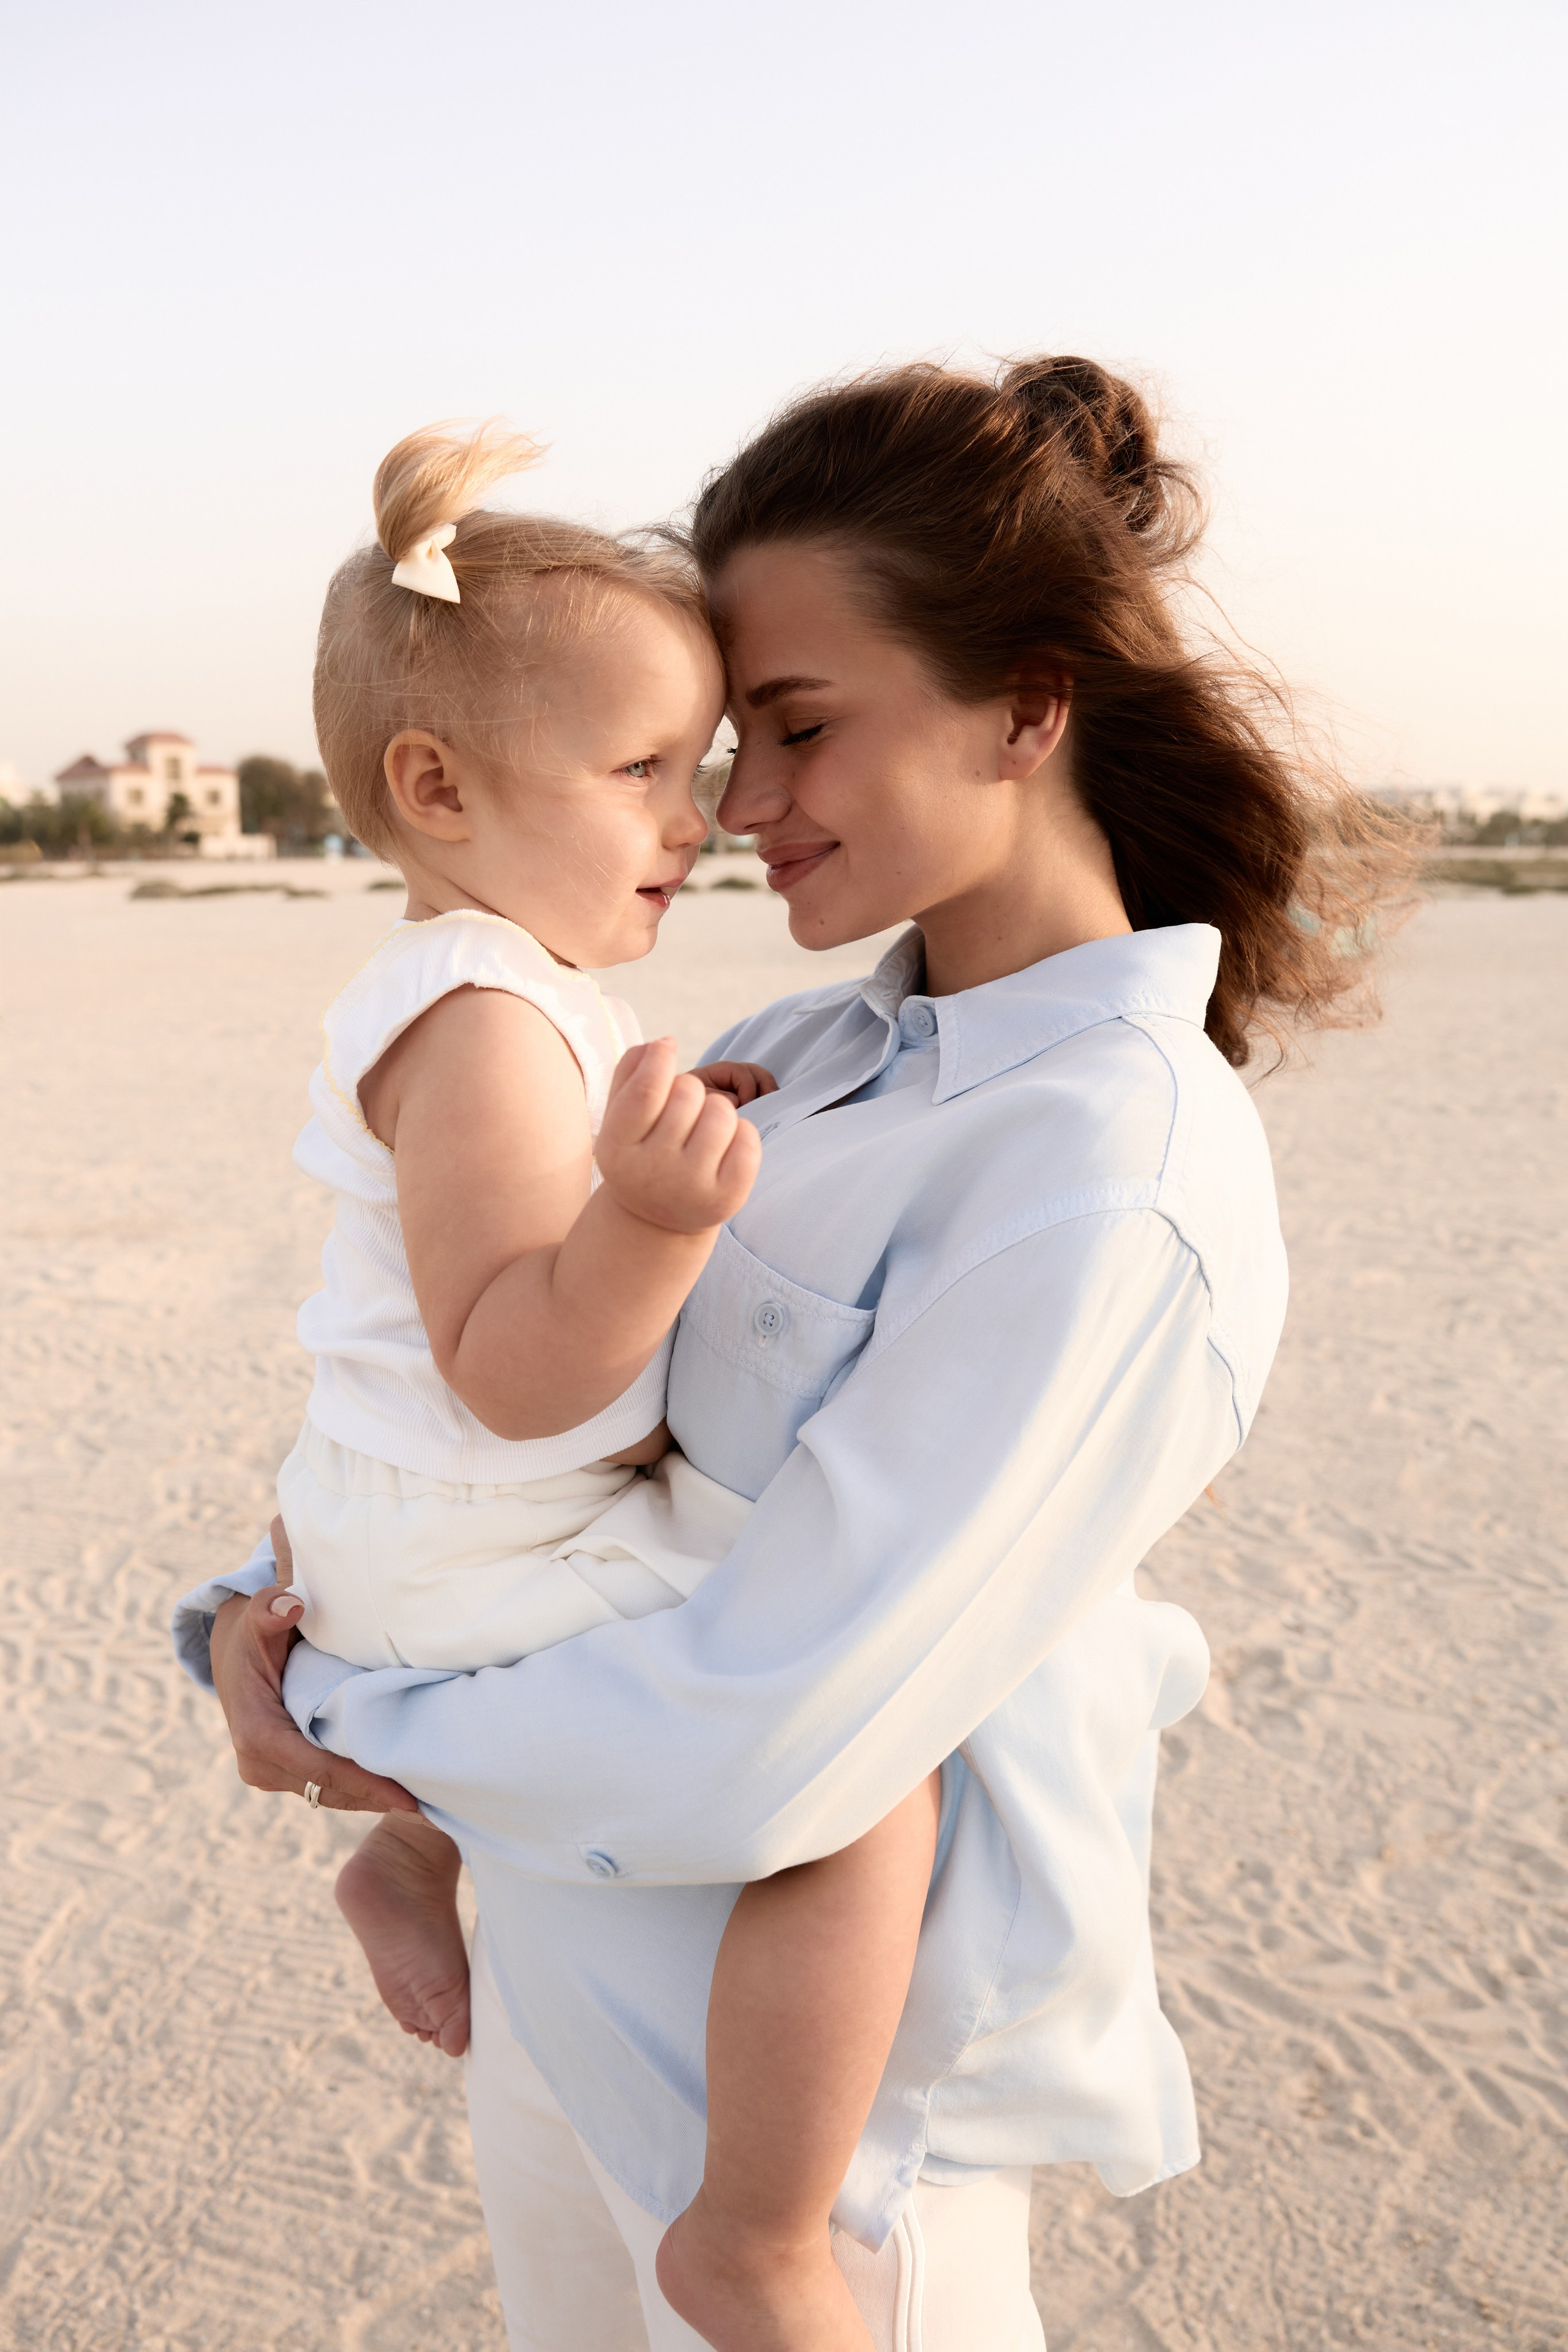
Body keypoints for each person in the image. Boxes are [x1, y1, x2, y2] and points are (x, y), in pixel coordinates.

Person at [178, 355, 1411, 2352]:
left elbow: (781, 1725)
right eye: (722, 742)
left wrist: (360, 1720)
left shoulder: (1111, 1169)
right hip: (561, 2007)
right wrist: (268, 1608)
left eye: (800, 731)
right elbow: (541, 1424)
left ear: (1028, 703)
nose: (739, 807)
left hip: (829, 2182)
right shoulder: (820, 1056)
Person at [246, 419, 947, 2351]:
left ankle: (412, 1848)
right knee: (866, 1787)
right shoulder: (479, 1017)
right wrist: (646, 1227)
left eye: (702, 764)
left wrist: (628, 1170)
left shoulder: (512, 988)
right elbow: (507, 1381)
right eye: (642, 769)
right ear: (434, 785)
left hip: (422, 1527)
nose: (697, 817)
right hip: (469, 1529)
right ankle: (762, 2230)